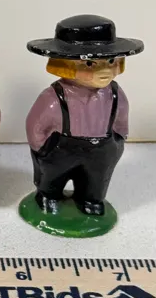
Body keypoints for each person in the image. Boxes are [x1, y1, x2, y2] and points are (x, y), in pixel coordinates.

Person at [25, 14, 143, 217]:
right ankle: (48, 196)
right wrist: (42, 149)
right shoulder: (53, 97)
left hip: (102, 149)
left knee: (96, 181)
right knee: (52, 178)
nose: (105, 70)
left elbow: (121, 120)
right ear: (66, 65)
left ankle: (91, 200)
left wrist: (118, 140)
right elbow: (36, 125)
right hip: (62, 148)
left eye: (110, 61)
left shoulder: (115, 94)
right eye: (90, 64)